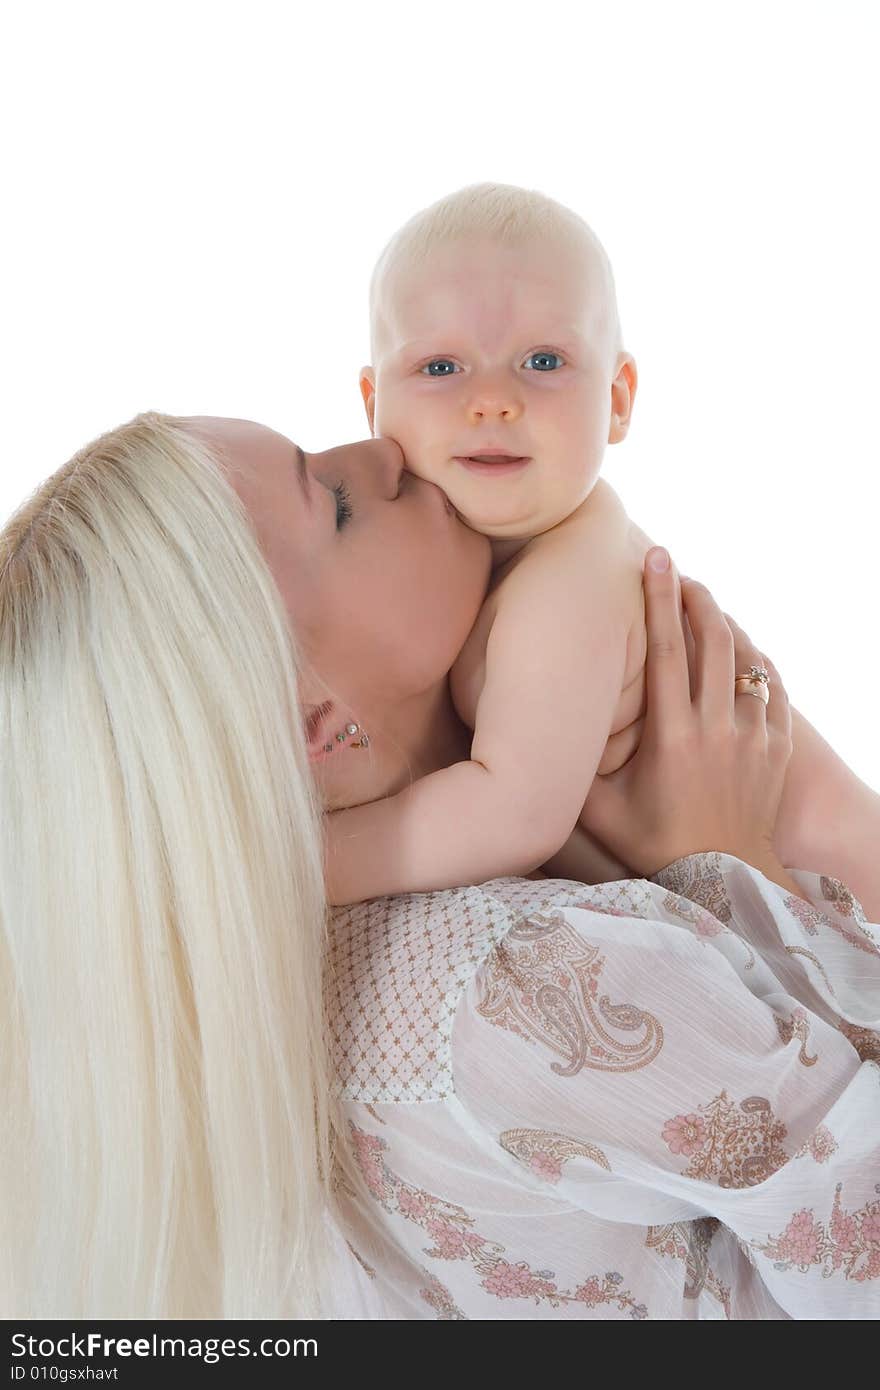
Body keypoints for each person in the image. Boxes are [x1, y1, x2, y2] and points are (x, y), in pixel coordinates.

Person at [1, 412, 877, 1321]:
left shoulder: (245, 1015)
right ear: (313, 725)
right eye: (336, 505)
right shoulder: (527, 978)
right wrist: (744, 876)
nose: (382, 452)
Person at [320, 181, 880, 919]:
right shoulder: (461, 576)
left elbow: (513, 814)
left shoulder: (574, 575)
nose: (491, 400)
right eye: (441, 367)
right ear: (372, 405)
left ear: (618, 400)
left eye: (543, 362)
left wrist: (301, 862)